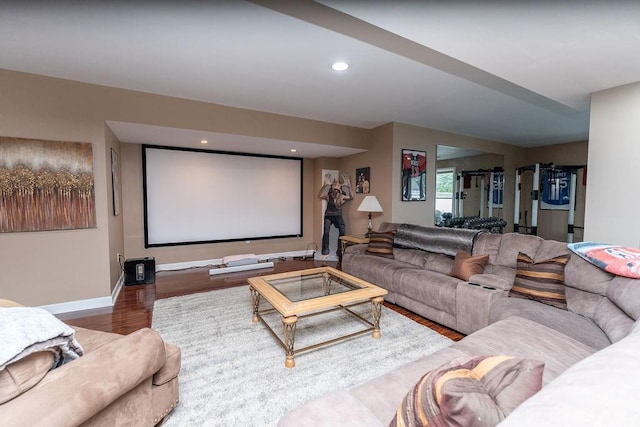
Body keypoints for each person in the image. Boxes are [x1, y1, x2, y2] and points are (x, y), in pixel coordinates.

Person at [318, 173, 353, 257]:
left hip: (338, 216)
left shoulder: (341, 196)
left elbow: (351, 197)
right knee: (326, 232)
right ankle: (325, 251)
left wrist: (348, 187)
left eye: (337, 188)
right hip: (328, 216)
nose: (335, 190)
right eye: (334, 187)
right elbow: (320, 195)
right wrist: (325, 185)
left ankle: (340, 250)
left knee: (342, 231)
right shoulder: (328, 196)